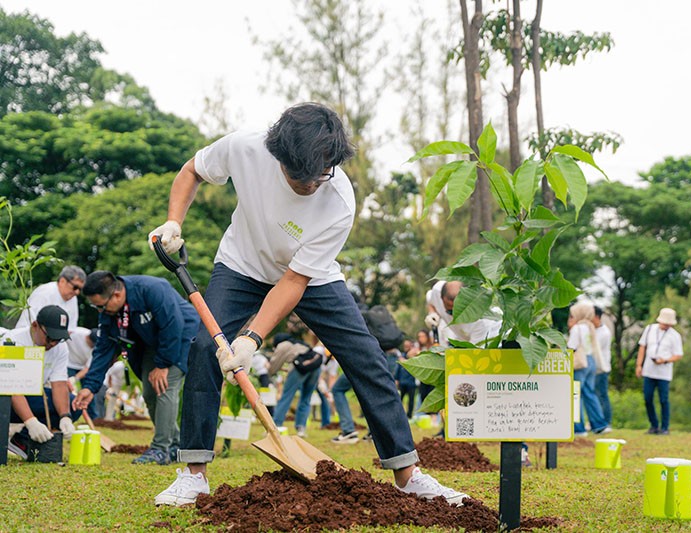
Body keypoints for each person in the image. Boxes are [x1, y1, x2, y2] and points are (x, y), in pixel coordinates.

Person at [147, 102, 467, 507]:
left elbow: (295, 281)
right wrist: (175, 221)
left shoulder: (339, 200)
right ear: (278, 155)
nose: (311, 185)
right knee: (202, 349)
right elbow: (192, 170)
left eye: (321, 175)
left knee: (367, 357)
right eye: (301, 177)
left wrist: (250, 338)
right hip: (241, 264)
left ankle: (408, 474)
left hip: (311, 276)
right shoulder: (245, 148)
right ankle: (194, 474)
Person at [71, 270, 200, 465]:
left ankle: (160, 449)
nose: (100, 312)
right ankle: (175, 445)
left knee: (164, 387)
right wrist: (90, 386)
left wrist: (163, 364)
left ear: (116, 295)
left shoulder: (152, 289)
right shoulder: (109, 312)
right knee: (149, 393)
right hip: (149, 343)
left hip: (180, 336)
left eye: (101, 306)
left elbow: (173, 323)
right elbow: (103, 349)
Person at [6, 306, 79, 460]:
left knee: (73, 405)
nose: (53, 343)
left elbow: (59, 384)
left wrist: (65, 416)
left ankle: (22, 441)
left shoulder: (60, 349)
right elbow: (12, 388)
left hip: (30, 395)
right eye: (50, 338)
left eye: (58, 339)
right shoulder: (12, 341)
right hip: (5, 396)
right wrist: (30, 421)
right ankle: (28, 430)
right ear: (35, 326)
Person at [15, 265, 86, 358]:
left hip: (51, 348)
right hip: (27, 344)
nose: (77, 292)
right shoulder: (45, 293)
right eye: (75, 287)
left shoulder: (73, 299)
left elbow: (70, 329)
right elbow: (32, 324)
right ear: (62, 281)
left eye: (80, 289)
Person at [270, 316, 323, 439]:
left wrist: (269, 372)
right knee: (306, 398)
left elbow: (274, 366)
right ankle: (301, 428)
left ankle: (276, 426)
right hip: (315, 367)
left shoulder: (283, 345)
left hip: (299, 369)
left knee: (286, 396)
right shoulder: (298, 343)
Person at [636, 307, 684, 435]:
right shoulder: (650, 329)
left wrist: (665, 360)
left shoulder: (675, 336)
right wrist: (639, 365)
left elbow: (678, 355)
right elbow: (642, 347)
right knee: (647, 398)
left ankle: (665, 427)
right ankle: (654, 425)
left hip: (664, 372)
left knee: (663, 400)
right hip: (649, 370)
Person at [568, 302, 611, 436]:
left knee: (576, 395)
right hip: (590, 360)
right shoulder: (590, 326)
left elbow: (572, 346)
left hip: (580, 363)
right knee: (589, 393)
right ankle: (599, 424)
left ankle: (578, 428)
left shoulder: (577, 328)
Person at [425, 280, 501, 346]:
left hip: (495, 340)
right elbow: (430, 301)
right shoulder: (437, 290)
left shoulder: (480, 319)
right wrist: (432, 313)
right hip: (463, 338)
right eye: (450, 310)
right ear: (441, 298)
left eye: (458, 309)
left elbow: (474, 353)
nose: (454, 314)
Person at [592, 306, 613, 427]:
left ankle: (606, 422)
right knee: (595, 395)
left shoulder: (604, 332)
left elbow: (593, 349)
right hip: (594, 369)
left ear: (596, 317)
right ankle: (598, 421)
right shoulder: (594, 330)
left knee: (602, 396)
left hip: (601, 368)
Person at [396, 339, 418, 419]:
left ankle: (409, 415)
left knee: (411, 400)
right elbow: (398, 368)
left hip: (411, 383)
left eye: (407, 345)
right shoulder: (401, 356)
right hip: (402, 382)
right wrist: (397, 379)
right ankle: (398, 414)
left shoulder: (415, 357)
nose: (406, 347)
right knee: (399, 399)